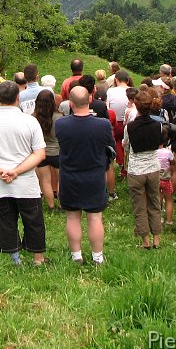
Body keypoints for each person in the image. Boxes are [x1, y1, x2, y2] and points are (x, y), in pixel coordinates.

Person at [0, 80, 47, 266]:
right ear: (17, 97)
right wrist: (16, 171)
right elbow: (39, 153)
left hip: (0, 182)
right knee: (33, 220)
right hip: (26, 181)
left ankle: (14, 257)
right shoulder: (30, 121)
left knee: (5, 219)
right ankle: (38, 258)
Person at [56, 86, 115, 265]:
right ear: (90, 100)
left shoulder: (61, 124)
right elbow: (110, 147)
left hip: (70, 175)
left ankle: (77, 255)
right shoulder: (103, 124)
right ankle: (97, 256)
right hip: (94, 175)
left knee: (72, 216)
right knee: (95, 217)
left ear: (71, 103)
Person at [123, 90, 163, 249]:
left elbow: (125, 145)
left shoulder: (130, 127)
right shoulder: (157, 125)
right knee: (154, 202)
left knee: (139, 205)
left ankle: (145, 240)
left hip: (136, 170)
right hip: (153, 167)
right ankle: (157, 239)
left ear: (136, 106)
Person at [32, 89, 62, 211]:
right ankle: (61, 204)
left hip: (41, 153)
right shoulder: (59, 118)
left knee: (45, 181)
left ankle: (51, 206)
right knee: (61, 180)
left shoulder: (33, 118)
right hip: (57, 152)